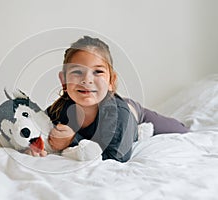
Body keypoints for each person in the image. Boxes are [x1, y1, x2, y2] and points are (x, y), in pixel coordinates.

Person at [44, 36, 189, 162]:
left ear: (111, 81)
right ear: (63, 81)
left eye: (98, 71)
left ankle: (137, 130)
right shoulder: (60, 108)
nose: (87, 80)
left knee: (182, 131)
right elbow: (37, 127)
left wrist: (72, 140)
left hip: (132, 112)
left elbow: (117, 157)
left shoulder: (120, 114)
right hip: (112, 105)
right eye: (77, 72)